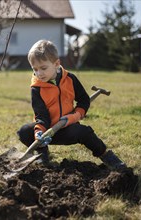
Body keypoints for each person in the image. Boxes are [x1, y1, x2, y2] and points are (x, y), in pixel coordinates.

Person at [17, 39, 126, 170]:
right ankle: (42, 152)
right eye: (35, 69)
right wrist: (39, 131)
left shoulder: (70, 79)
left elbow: (84, 100)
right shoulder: (36, 88)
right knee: (24, 132)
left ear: (56, 64)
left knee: (85, 132)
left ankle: (106, 156)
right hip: (47, 129)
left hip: (67, 127)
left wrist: (74, 117)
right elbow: (41, 114)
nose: (39, 73)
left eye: (43, 68)